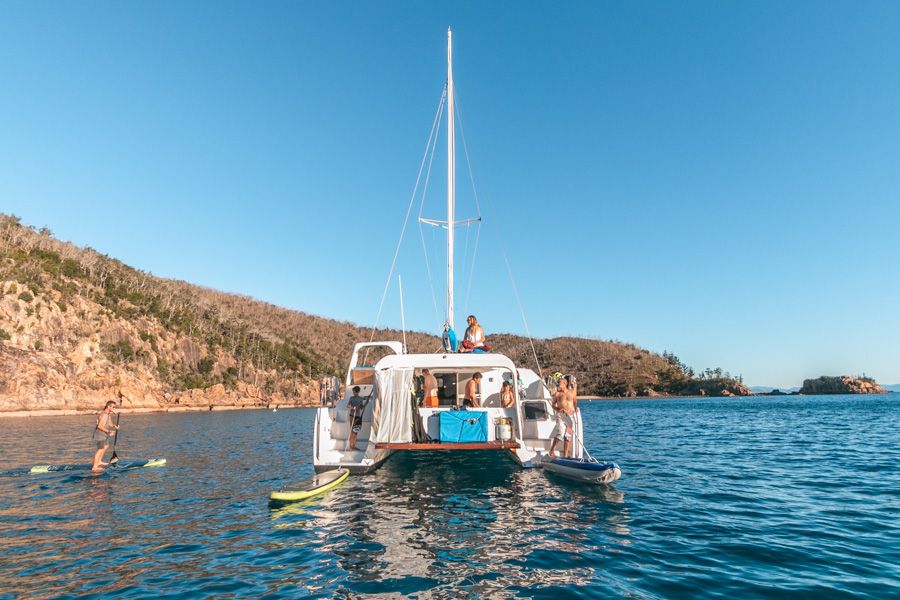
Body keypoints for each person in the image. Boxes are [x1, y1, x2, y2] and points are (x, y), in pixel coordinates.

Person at [548, 376, 577, 458]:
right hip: (561, 416)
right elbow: (553, 405)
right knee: (561, 433)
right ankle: (551, 450)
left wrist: (575, 408)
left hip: (570, 416)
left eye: (559, 383)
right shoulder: (557, 394)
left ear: (564, 384)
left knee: (568, 436)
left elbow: (575, 401)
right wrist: (558, 409)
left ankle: (565, 455)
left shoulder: (572, 392)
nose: (558, 384)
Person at [92, 400, 119, 472]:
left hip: (104, 434)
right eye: (113, 407)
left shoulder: (108, 414)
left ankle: (99, 461)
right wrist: (109, 431)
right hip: (100, 434)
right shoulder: (104, 415)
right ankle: (94, 467)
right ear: (108, 406)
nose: (114, 408)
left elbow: (109, 423)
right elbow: (99, 426)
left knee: (106, 446)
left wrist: (114, 426)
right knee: (100, 449)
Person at [347, 386, 370, 450]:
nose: (353, 393)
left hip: (357, 416)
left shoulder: (360, 399)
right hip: (352, 415)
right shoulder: (351, 398)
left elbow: (362, 407)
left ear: (357, 392)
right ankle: (351, 446)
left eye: (354, 391)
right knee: (352, 430)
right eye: (353, 391)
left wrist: (366, 403)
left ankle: (353, 445)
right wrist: (353, 407)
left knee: (356, 431)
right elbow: (348, 405)